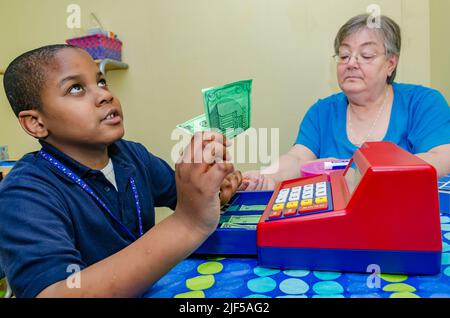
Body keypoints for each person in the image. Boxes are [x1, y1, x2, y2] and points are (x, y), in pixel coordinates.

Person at [0, 44, 242, 298]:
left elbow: (185, 198)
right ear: (36, 123)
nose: (105, 95)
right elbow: (54, 292)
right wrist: (187, 223)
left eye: (101, 82)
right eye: (76, 88)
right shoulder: (23, 194)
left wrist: (213, 190)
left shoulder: (132, 155)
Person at [241, 14, 450, 191]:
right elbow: (297, 159)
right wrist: (266, 177)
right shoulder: (322, 111)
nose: (351, 63)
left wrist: (360, 176)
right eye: (344, 55)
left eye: (366, 55)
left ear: (391, 64)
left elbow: (441, 158)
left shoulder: (423, 103)